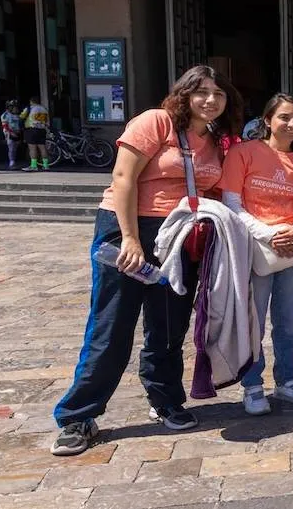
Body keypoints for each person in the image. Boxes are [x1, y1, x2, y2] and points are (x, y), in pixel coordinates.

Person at [51, 65, 242, 456]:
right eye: (201, 92)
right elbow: (123, 179)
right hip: (129, 228)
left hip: (182, 237)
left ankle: (165, 399)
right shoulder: (157, 122)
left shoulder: (218, 139)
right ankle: (78, 416)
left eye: (219, 94)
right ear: (184, 94)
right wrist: (131, 239)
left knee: (170, 324)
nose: (210, 100)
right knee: (112, 326)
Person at [221, 93, 293, 414]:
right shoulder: (244, 153)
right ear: (268, 120)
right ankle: (252, 385)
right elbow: (232, 203)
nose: (292, 124)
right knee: (254, 322)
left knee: (288, 322)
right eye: (284, 117)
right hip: (253, 249)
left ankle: (286, 380)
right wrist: (268, 234)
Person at [20, 97, 50, 172]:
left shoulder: (30, 108)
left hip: (32, 130)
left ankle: (34, 166)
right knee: (42, 148)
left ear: (31, 101)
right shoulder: (44, 109)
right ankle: (46, 165)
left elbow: (21, 116)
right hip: (42, 130)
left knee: (32, 148)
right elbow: (46, 120)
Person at [0, 100, 23, 170]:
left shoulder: (17, 114)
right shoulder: (5, 115)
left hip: (17, 132)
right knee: (11, 148)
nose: (15, 108)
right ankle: (11, 162)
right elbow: (5, 126)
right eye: (14, 107)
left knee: (15, 148)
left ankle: (14, 161)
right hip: (9, 133)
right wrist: (11, 132)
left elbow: (20, 124)